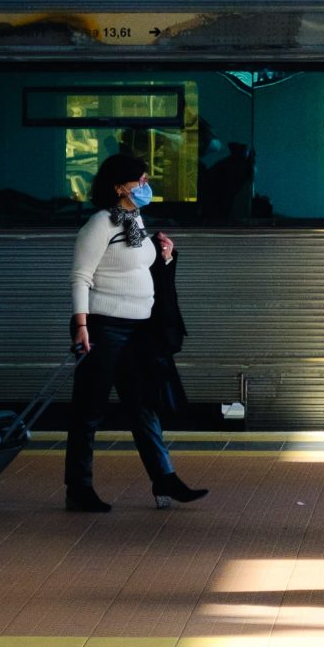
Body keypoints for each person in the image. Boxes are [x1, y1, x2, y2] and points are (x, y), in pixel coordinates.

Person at [65, 151, 208, 513]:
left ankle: (165, 479)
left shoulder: (136, 220)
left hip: (138, 330)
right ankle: (78, 488)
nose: (146, 186)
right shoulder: (99, 224)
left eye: (146, 180)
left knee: (144, 404)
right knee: (89, 410)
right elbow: (81, 276)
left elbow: (139, 267)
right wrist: (81, 325)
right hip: (104, 328)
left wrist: (167, 256)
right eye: (139, 182)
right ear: (118, 187)